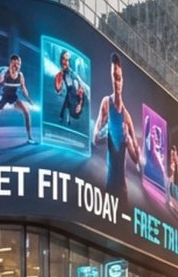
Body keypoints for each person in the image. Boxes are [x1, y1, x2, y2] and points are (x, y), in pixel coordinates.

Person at [92, 53, 142, 202]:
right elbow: (95, 139)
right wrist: (103, 135)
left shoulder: (127, 118)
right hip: (109, 186)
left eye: (118, 78)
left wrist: (128, 142)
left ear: (122, 81)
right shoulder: (106, 103)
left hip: (122, 188)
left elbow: (136, 158)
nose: (116, 82)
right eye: (113, 77)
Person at [0, 54, 36, 145]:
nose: (17, 66)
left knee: (27, 113)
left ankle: (30, 138)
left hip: (13, 97)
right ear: (10, 64)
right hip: (3, 96)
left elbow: (24, 88)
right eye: (15, 64)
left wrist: (28, 99)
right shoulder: (4, 74)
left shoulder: (20, 75)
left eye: (19, 64)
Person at [54, 48, 88, 125]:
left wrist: (79, 102)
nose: (66, 62)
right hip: (69, 89)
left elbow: (79, 86)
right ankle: (65, 118)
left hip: (73, 90)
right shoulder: (61, 73)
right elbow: (59, 84)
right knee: (67, 104)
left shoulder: (72, 73)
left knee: (67, 104)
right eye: (64, 59)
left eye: (68, 60)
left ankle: (64, 118)